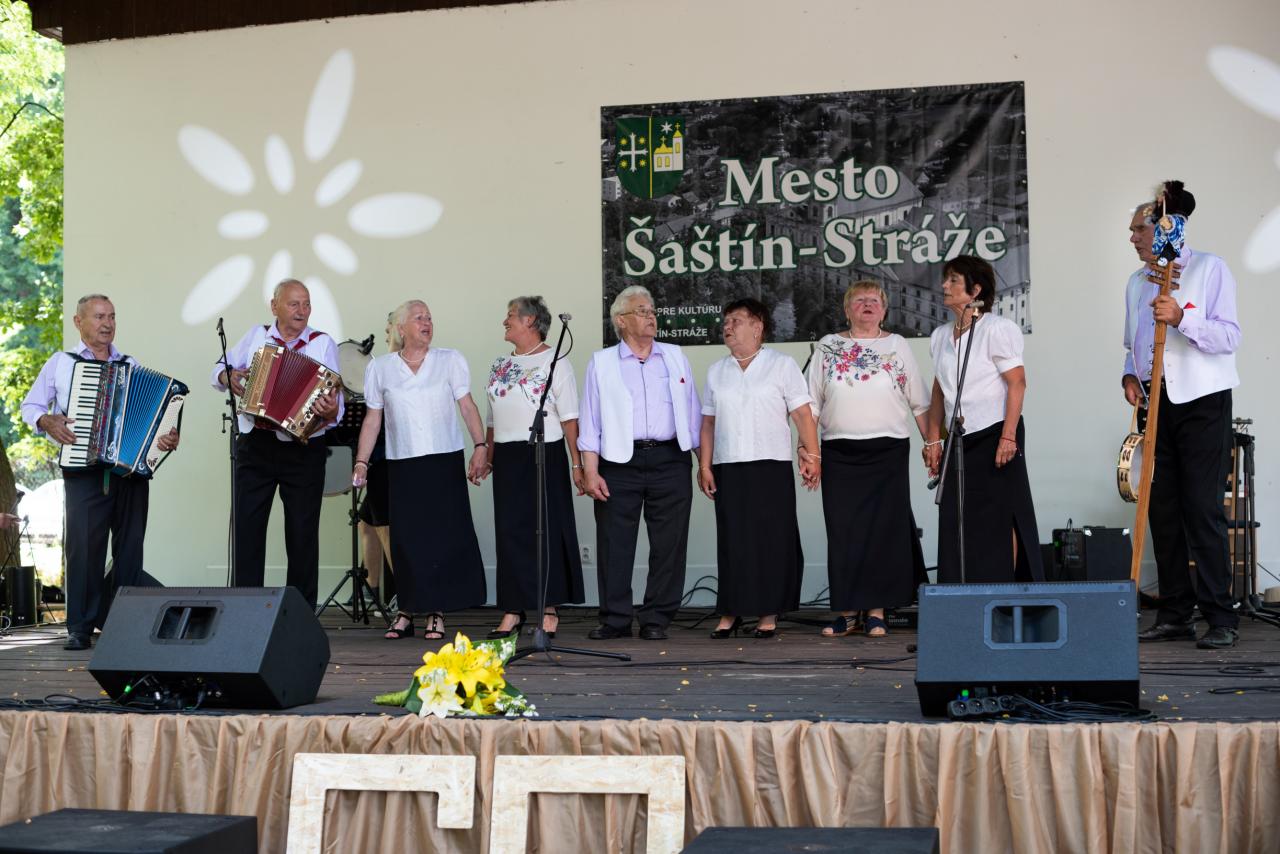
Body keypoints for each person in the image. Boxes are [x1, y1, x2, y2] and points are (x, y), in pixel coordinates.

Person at [22, 294, 179, 650]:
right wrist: (46, 420)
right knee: (83, 549)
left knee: (130, 549)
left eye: (111, 316)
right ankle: (80, 627)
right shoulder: (62, 363)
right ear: (78, 322)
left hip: (129, 474)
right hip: (83, 471)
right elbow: (30, 406)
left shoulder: (130, 365)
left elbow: (152, 416)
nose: (107, 324)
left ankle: (125, 624)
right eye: (98, 317)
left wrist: (166, 437)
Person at [1124, 181, 1241, 650]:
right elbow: (1132, 343)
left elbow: (1229, 337)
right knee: (1162, 508)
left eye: (1139, 229)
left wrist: (1181, 319)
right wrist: (1130, 375)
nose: (1132, 237)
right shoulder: (1136, 282)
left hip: (1202, 401)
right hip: (1155, 403)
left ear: (1163, 227)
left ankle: (1220, 616)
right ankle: (1175, 612)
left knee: (1202, 507)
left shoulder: (1209, 268)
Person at [352, 300, 487, 641]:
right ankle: (406, 610)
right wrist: (362, 462)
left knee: (440, 536)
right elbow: (373, 420)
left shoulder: (450, 360)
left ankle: (435, 611)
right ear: (401, 328)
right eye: (418, 318)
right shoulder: (380, 367)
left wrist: (481, 446)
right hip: (403, 462)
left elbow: (467, 406)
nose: (427, 322)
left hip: (443, 459)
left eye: (429, 317)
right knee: (407, 539)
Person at [807, 281, 930, 637]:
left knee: (882, 533)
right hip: (839, 452)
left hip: (888, 451)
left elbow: (919, 402)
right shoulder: (828, 345)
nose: (867, 305)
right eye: (859, 300)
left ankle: (876, 612)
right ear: (847, 310)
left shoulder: (897, 345)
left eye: (874, 300)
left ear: (884, 309)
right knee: (844, 532)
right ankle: (847, 613)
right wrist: (809, 451)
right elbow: (809, 405)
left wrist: (932, 444)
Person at [578, 284, 701, 641]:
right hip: (619, 461)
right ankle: (615, 619)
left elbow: (693, 415)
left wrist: (705, 464)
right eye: (642, 311)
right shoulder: (602, 362)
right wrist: (590, 470)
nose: (651, 317)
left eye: (652, 311)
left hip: (670, 458)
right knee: (615, 544)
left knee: (669, 544)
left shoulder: (675, 356)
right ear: (621, 320)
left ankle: (656, 618)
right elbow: (590, 421)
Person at [212, 279, 341, 608]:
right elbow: (219, 370)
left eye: (306, 304)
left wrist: (330, 410)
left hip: (304, 449)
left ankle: (299, 613)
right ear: (275, 306)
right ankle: (245, 609)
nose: (302, 311)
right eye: (294, 303)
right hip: (256, 444)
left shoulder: (322, 343)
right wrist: (229, 376)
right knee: (248, 529)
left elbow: (336, 407)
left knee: (302, 533)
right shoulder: (257, 336)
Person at [698, 298, 818, 639]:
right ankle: (731, 611)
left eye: (736, 320)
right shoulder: (717, 370)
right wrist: (704, 465)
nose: (728, 326)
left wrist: (813, 456)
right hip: (728, 465)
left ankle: (768, 612)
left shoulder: (781, 364)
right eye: (726, 321)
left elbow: (802, 414)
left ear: (757, 326)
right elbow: (708, 423)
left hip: (770, 464)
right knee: (733, 539)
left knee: (771, 539)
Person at [924, 257, 1043, 584]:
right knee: (955, 517)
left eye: (953, 280)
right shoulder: (940, 336)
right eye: (946, 279)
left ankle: (1003, 591)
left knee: (999, 516)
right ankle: (959, 594)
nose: (944, 286)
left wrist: (1008, 436)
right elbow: (939, 391)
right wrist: (933, 438)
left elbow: (1017, 383)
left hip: (995, 434)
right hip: (958, 439)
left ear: (975, 290)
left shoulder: (997, 329)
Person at [481, 296, 585, 639]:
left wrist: (577, 463)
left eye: (510, 315)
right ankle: (513, 608)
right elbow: (493, 417)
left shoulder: (556, 362)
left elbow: (570, 419)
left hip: (545, 452)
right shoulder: (500, 363)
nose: (504, 321)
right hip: (508, 455)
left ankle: (549, 606)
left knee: (546, 527)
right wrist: (487, 455)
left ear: (530, 321)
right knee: (510, 531)